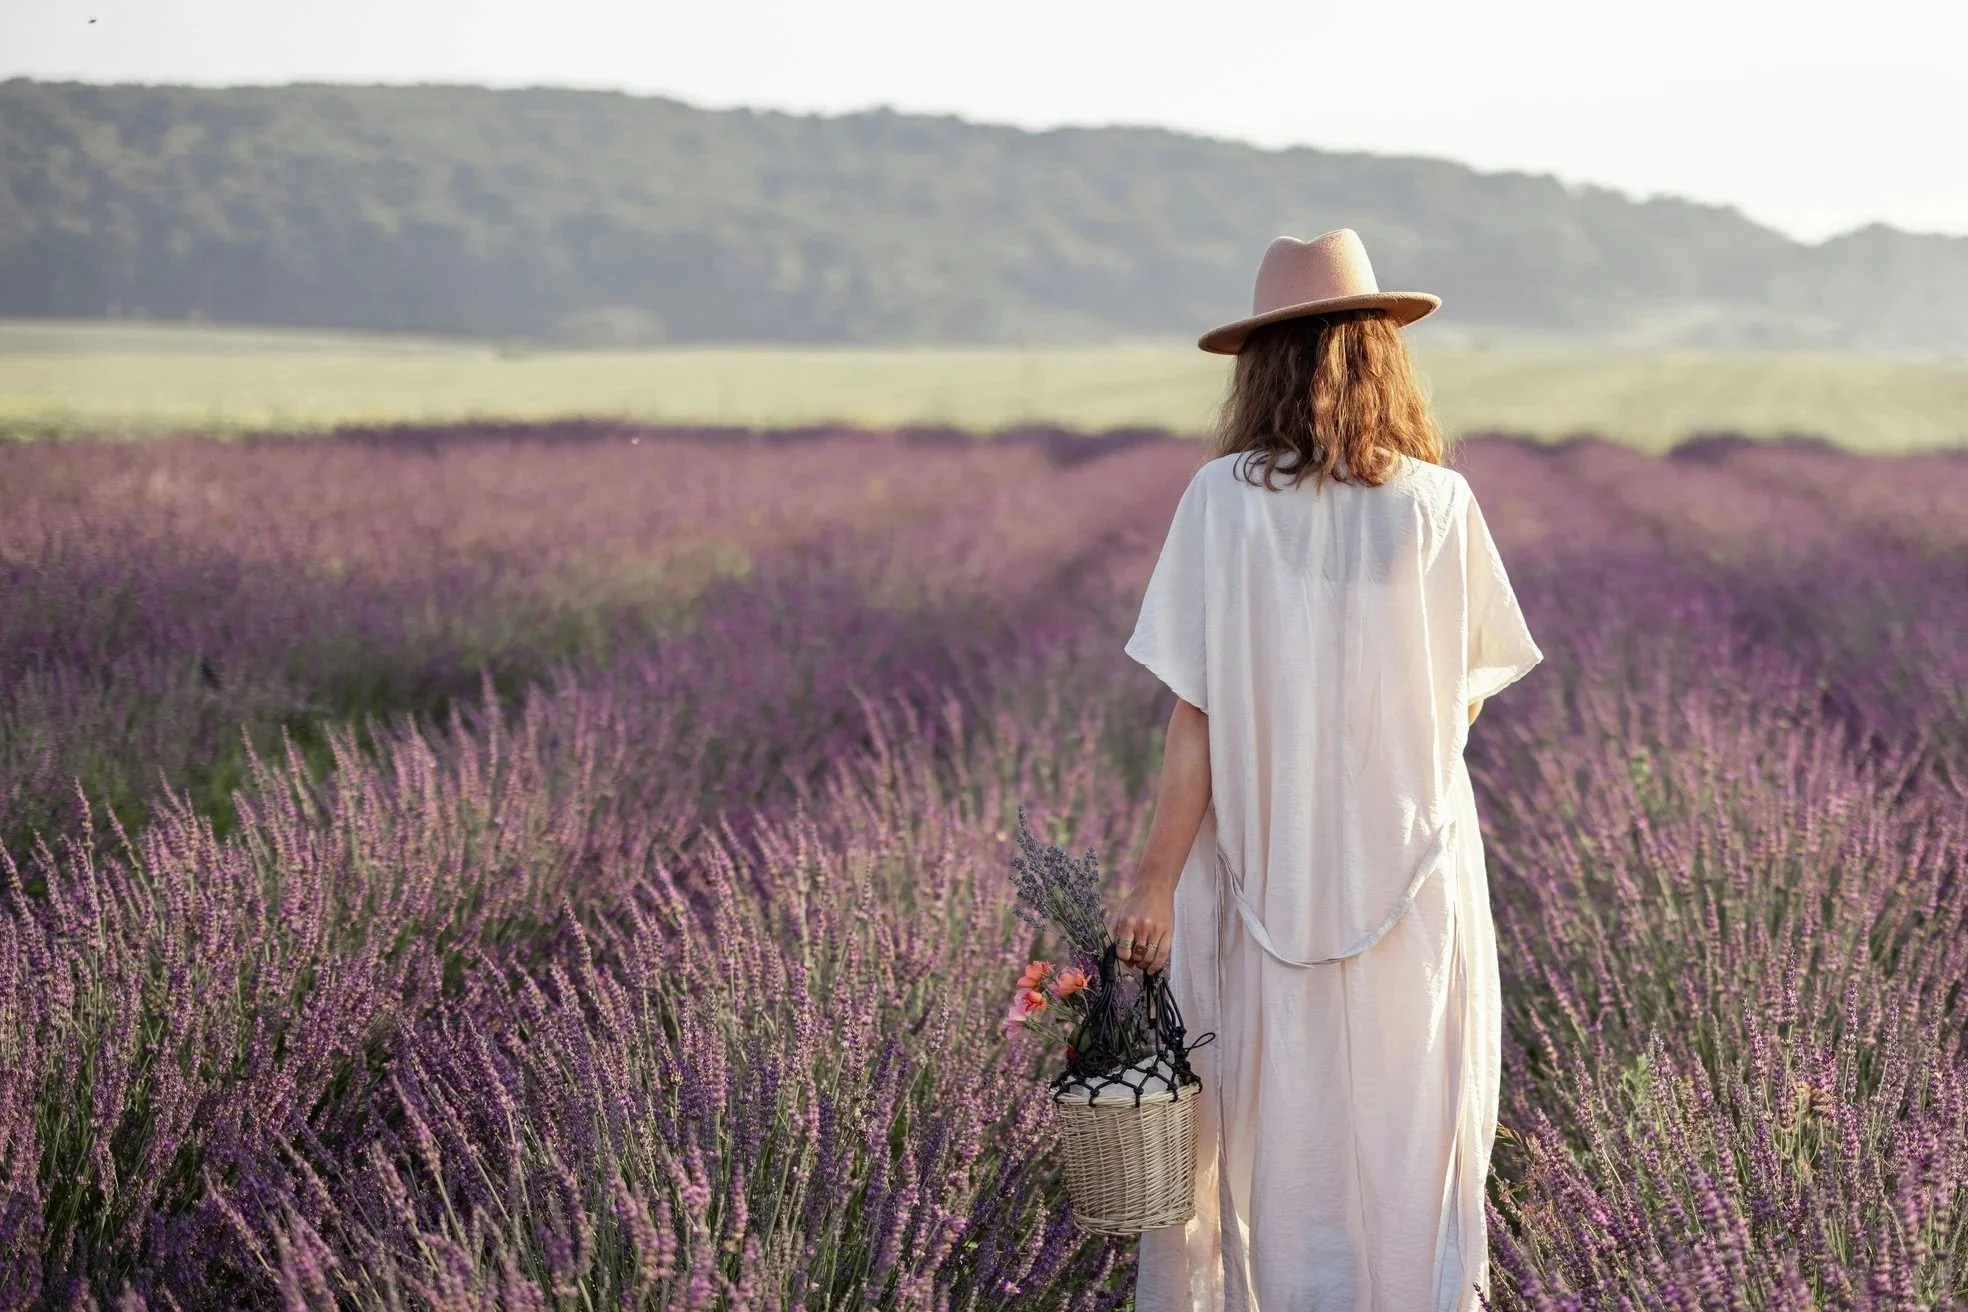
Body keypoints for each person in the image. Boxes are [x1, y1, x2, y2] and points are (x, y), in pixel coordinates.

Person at [1108, 229, 1543, 1312]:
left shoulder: (1220, 501)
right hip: (1413, 866)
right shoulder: (1438, 505)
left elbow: (1196, 712)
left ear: (1263, 364)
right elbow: (1465, 695)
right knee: (1408, 1110)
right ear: (1380, 354)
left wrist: (1154, 880)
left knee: (1254, 1115)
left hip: (1260, 862)